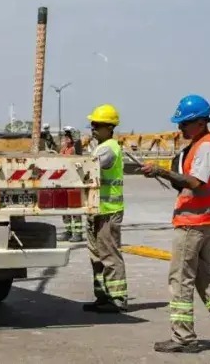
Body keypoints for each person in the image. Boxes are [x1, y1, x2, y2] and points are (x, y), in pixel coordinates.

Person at [140, 94, 210, 353]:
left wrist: (161, 171)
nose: (180, 128)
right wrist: (168, 173)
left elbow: (195, 183)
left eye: (184, 123)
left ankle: (183, 338)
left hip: (194, 222)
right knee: (205, 279)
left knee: (181, 279)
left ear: (201, 122)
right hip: (205, 221)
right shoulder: (200, 145)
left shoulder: (205, 147)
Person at [82, 104, 128, 313]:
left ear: (110, 128)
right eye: (92, 124)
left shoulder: (109, 148)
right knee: (97, 257)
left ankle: (117, 298)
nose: (93, 128)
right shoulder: (100, 147)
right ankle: (102, 297)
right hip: (97, 210)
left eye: (97, 125)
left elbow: (90, 168)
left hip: (108, 211)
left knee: (109, 256)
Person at [58, 131, 85, 243]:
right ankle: (68, 230)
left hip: (73, 182)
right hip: (64, 182)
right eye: (65, 137)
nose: (66, 139)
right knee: (65, 209)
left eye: (68, 137)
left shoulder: (74, 149)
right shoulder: (64, 149)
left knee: (75, 208)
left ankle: (77, 233)